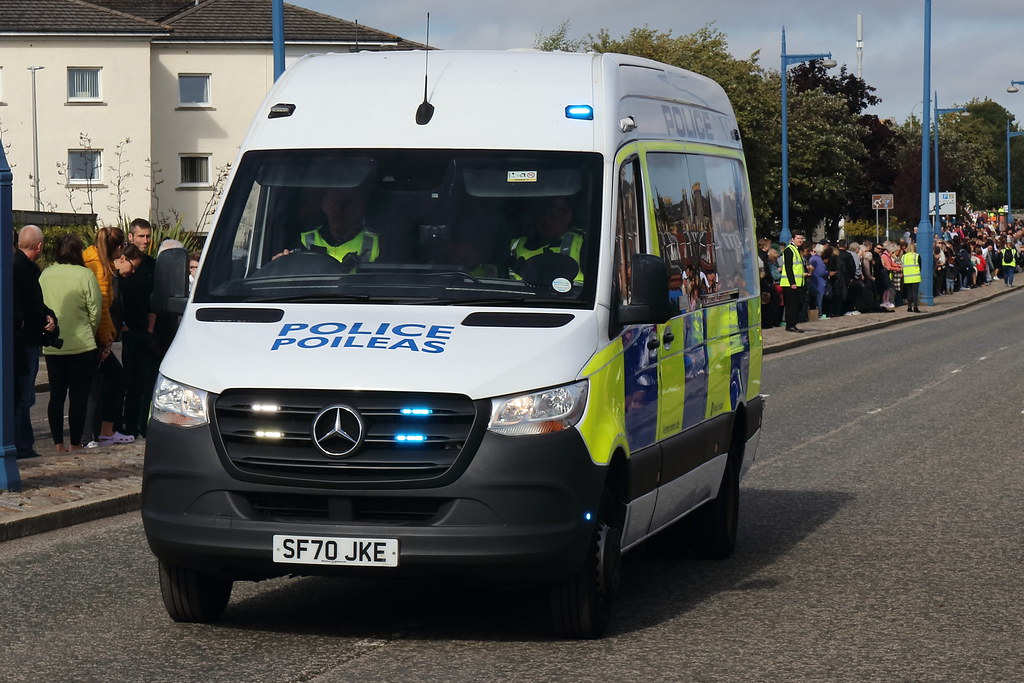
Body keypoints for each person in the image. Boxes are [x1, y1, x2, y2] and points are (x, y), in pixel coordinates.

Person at [39, 234, 101, 453]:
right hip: (82, 343)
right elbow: (95, 309)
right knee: (78, 397)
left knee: (56, 395)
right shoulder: (85, 274)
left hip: (53, 343)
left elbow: (39, 304)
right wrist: (89, 330)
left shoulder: (45, 274)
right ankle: (76, 443)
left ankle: (58, 443)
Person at [83, 227, 141, 446]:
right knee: (95, 387)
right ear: (118, 250)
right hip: (96, 337)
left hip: (96, 335)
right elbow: (101, 308)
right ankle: (90, 436)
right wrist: (106, 338)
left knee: (106, 382)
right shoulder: (101, 271)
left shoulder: (94, 263)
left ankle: (100, 433)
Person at [12, 225, 57, 459]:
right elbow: (32, 305)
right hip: (25, 341)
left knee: (22, 396)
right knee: (24, 396)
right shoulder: (25, 269)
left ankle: (23, 444)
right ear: (39, 246)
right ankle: (22, 446)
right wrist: (47, 319)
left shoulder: (14, 265)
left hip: (21, 338)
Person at [119, 218, 158, 440]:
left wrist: (151, 329)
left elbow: (155, 299)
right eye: (141, 236)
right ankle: (120, 426)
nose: (145, 240)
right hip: (123, 332)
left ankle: (135, 428)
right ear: (131, 237)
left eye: (148, 236)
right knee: (122, 383)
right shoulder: (120, 262)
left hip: (143, 331)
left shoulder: (152, 264)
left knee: (140, 384)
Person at [279, 187, 380, 270]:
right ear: (324, 205)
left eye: (346, 203)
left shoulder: (378, 244)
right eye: (333, 201)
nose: (338, 209)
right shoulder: (303, 242)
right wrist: (280, 265)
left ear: (359, 208)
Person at [509, 196, 584, 282]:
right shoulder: (515, 245)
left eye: (555, 212)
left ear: (568, 216)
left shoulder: (583, 244)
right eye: (542, 211)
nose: (547, 219)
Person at [780, 230, 806, 332]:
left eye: (801, 238)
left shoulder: (796, 250)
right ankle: (790, 325)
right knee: (792, 305)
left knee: (797, 304)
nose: (800, 240)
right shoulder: (789, 250)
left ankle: (792, 324)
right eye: (798, 238)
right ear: (793, 239)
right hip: (790, 284)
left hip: (798, 283)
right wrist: (792, 283)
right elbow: (789, 267)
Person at [902, 242, 922, 313]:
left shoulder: (903, 256)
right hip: (915, 277)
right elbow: (920, 266)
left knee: (909, 293)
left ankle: (909, 307)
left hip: (907, 277)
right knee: (915, 293)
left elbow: (902, 265)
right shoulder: (917, 256)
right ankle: (915, 307)